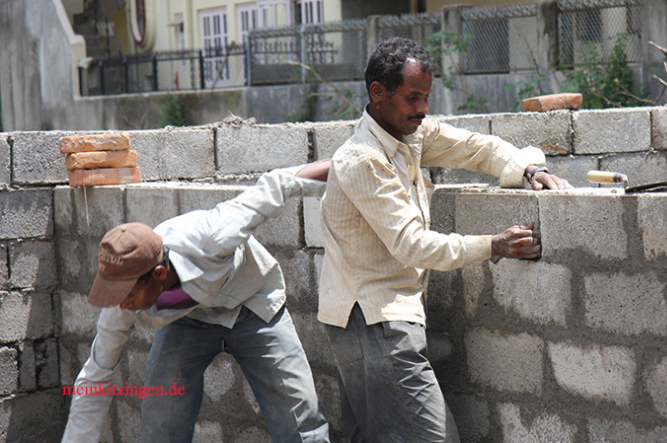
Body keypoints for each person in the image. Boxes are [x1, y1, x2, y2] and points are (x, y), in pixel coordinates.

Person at [317, 37, 572, 443]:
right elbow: (412, 244)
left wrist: (528, 168)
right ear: (378, 94)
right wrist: (493, 244)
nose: (423, 108)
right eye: (413, 97)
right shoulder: (364, 159)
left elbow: (474, 148)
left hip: (375, 317)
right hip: (373, 318)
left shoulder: (409, 135)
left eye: (427, 97)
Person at [62, 161, 332, 443]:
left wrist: (352, 161)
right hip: (186, 322)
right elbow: (96, 375)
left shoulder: (213, 235)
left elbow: (278, 182)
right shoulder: (121, 301)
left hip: (253, 305)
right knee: (161, 420)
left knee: (300, 418)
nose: (122, 305)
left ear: (159, 274)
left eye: (128, 295)